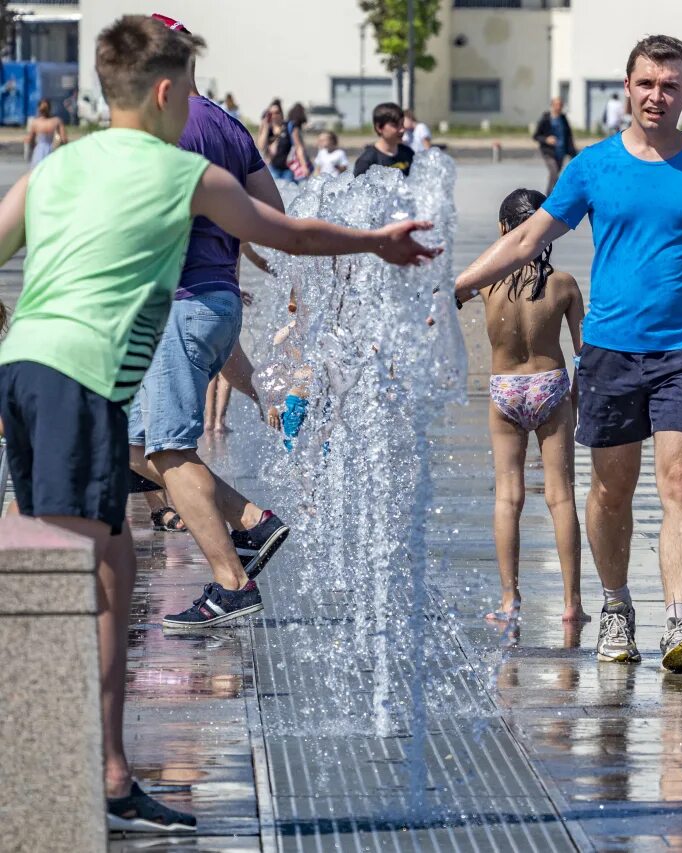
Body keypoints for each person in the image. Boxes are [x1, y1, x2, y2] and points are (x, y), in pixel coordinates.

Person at [0, 15, 434, 833]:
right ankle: (53, 774)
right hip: (78, 380)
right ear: (167, 92)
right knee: (67, 581)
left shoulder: (59, 165)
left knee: (114, 565)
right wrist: (378, 241)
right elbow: (291, 232)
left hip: (29, 369)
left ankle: (111, 768)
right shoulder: (182, 172)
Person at [457, 34, 682, 673]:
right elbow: (530, 237)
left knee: (681, 480)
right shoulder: (592, 166)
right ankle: (616, 607)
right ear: (628, 87)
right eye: (646, 83)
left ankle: (681, 623)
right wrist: (461, 281)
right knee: (611, 490)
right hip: (610, 353)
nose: (657, 96)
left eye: (670, 85)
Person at [129, 13, 297, 629]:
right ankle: (253, 522)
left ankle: (231, 583)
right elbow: (270, 214)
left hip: (179, 305)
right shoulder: (228, 125)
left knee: (169, 450)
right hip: (217, 301)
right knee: (133, 445)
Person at [464, 188, 588, 626]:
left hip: (504, 389)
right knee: (560, 497)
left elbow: (458, 283)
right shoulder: (564, 284)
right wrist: (575, 395)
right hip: (550, 385)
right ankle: (572, 604)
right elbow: (582, 352)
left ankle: (508, 600)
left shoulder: (486, 285)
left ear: (503, 231)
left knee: (507, 497)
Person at [353, 102, 414, 177]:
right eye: (395, 125)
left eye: (402, 124)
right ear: (379, 127)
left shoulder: (408, 153)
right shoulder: (367, 162)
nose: (402, 130)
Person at [533, 97, 577, 195]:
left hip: (561, 151)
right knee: (554, 171)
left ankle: (554, 195)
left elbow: (569, 136)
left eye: (560, 105)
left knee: (555, 174)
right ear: (552, 106)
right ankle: (549, 197)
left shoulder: (563, 119)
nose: (559, 107)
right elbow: (536, 136)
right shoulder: (546, 119)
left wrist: (573, 152)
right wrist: (546, 139)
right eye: (556, 104)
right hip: (548, 152)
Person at [25, 98, 67, 167]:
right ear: (50, 108)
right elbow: (64, 140)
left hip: (39, 151)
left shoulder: (35, 122)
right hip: (52, 150)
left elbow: (30, 140)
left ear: (39, 109)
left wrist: (31, 149)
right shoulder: (57, 121)